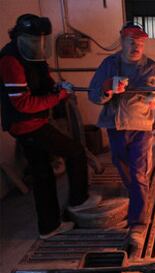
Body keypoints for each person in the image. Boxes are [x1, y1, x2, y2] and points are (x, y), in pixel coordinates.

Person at [0, 14, 101, 239]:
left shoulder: (32, 55)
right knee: (75, 152)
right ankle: (78, 200)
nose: (38, 45)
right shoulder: (10, 60)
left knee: (42, 174)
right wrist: (59, 96)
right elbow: (22, 102)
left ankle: (49, 227)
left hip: (35, 122)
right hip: (26, 124)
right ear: (20, 36)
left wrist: (57, 87)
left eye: (41, 40)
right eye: (34, 40)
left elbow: (44, 80)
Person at [88, 22, 155, 232]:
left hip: (140, 125)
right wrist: (107, 89)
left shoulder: (151, 66)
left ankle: (137, 223)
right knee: (121, 164)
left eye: (140, 42)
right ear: (122, 41)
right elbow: (93, 94)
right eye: (132, 42)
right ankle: (136, 193)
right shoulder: (109, 65)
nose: (137, 46)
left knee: (139, 171)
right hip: (115, 125)